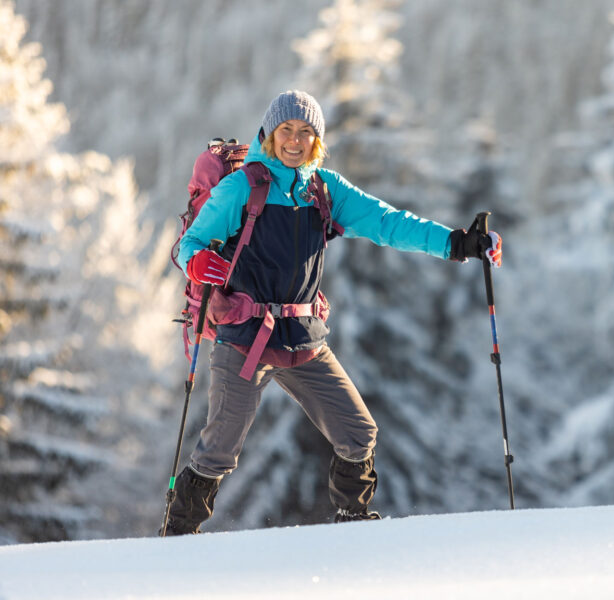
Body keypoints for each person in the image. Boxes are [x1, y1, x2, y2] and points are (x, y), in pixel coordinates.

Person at [163, 90, 501, 534]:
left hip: (302, 336)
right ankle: (176, 537)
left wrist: (458, 243)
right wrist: (196, 260)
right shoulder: (242, 187)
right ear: (269, 134)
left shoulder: (323, 189)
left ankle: (353, 525)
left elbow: (387, 222)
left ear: (317, 140)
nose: (295, 140)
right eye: (287, 130)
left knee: (358, 433)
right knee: (219, 450)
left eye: (306, 132)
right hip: (245, 336)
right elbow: (190, 245)